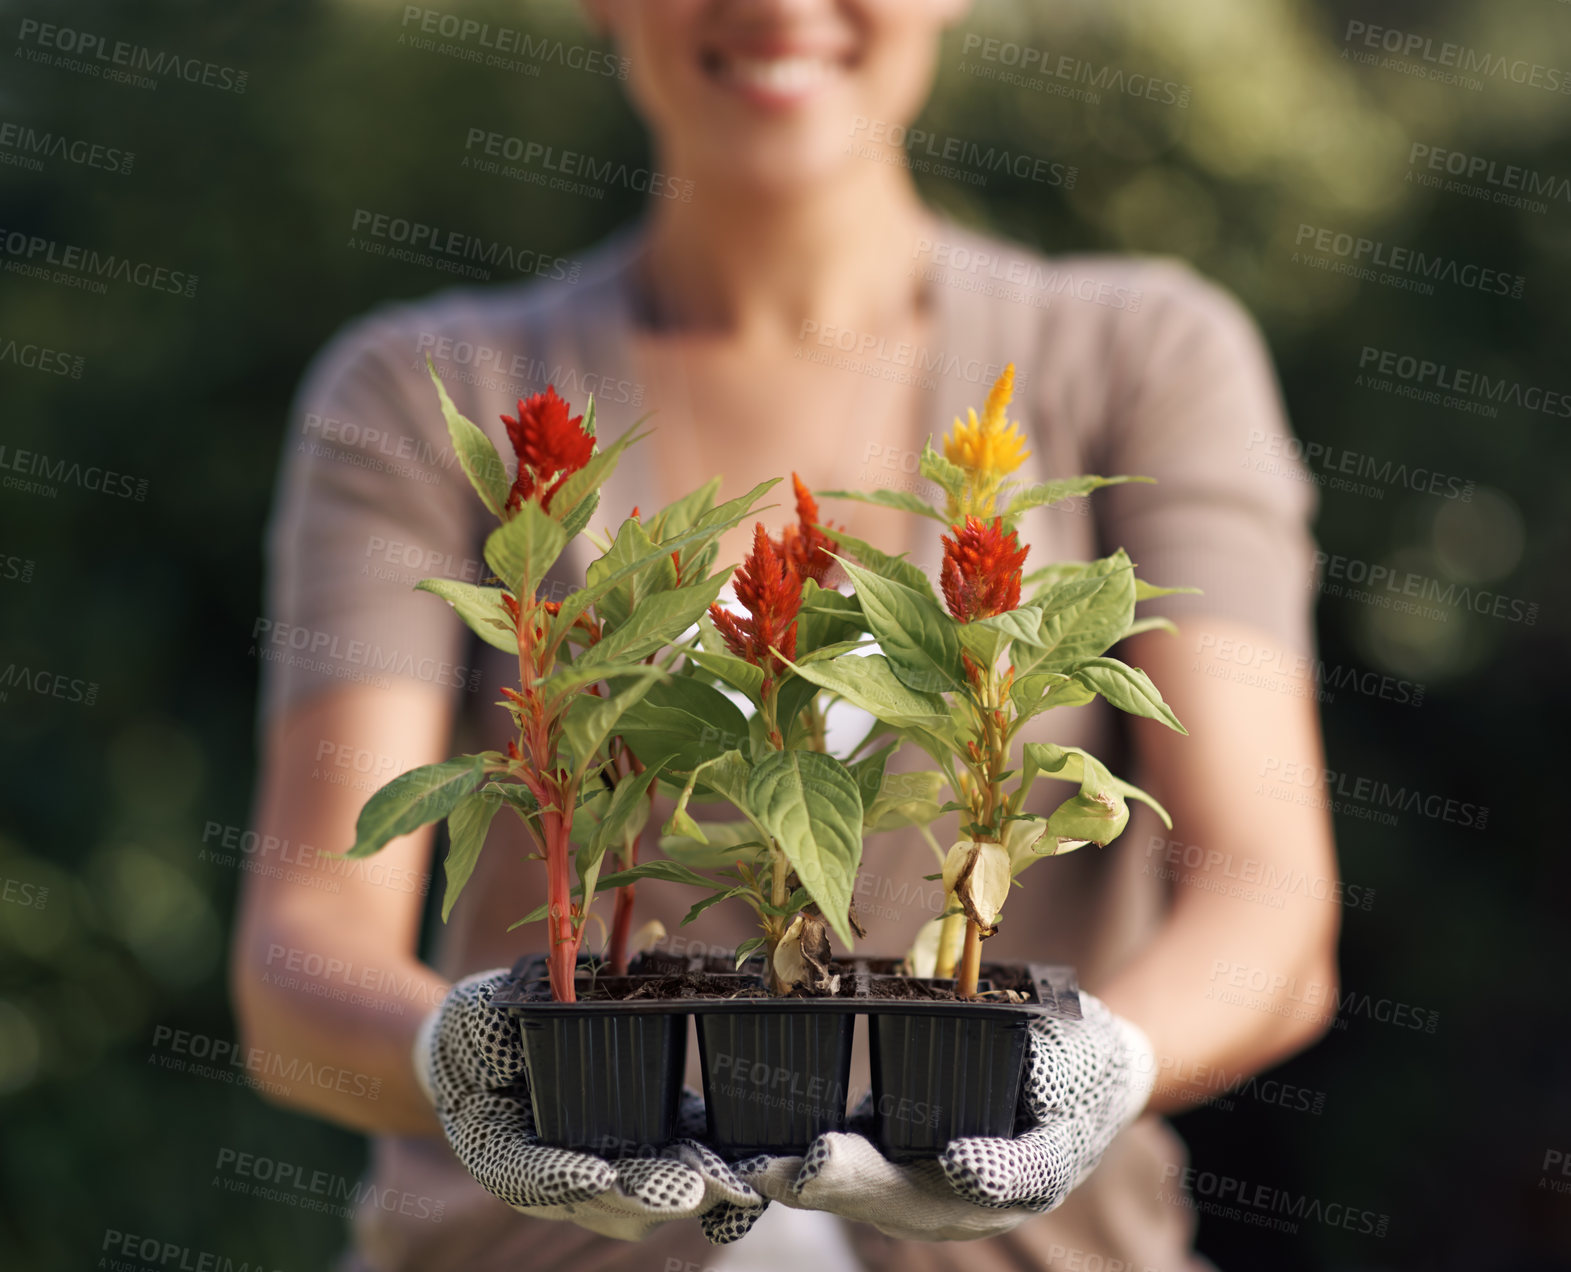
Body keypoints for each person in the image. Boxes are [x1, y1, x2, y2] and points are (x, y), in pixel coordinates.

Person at [232, 2, 1340, 1269]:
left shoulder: (1137, 360)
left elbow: (1270, 904)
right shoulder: (430, 392)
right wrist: (464, 1064)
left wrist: (1099, 1068)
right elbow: (299, 961)